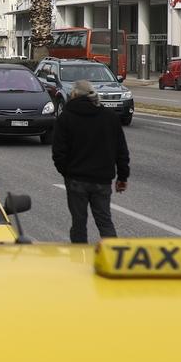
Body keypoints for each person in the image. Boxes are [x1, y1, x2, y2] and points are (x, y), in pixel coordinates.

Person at [51, 80, 130, 244]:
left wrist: (67, 172)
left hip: (76, 180)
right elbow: (121, 150)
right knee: (105, 222)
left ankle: (80, 261)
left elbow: (58, 152)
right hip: (102, 180)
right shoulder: (109, 117)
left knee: (78, 224)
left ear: (73, 94)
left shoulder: (66, 117)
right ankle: (113, 259)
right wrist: (122, 177)